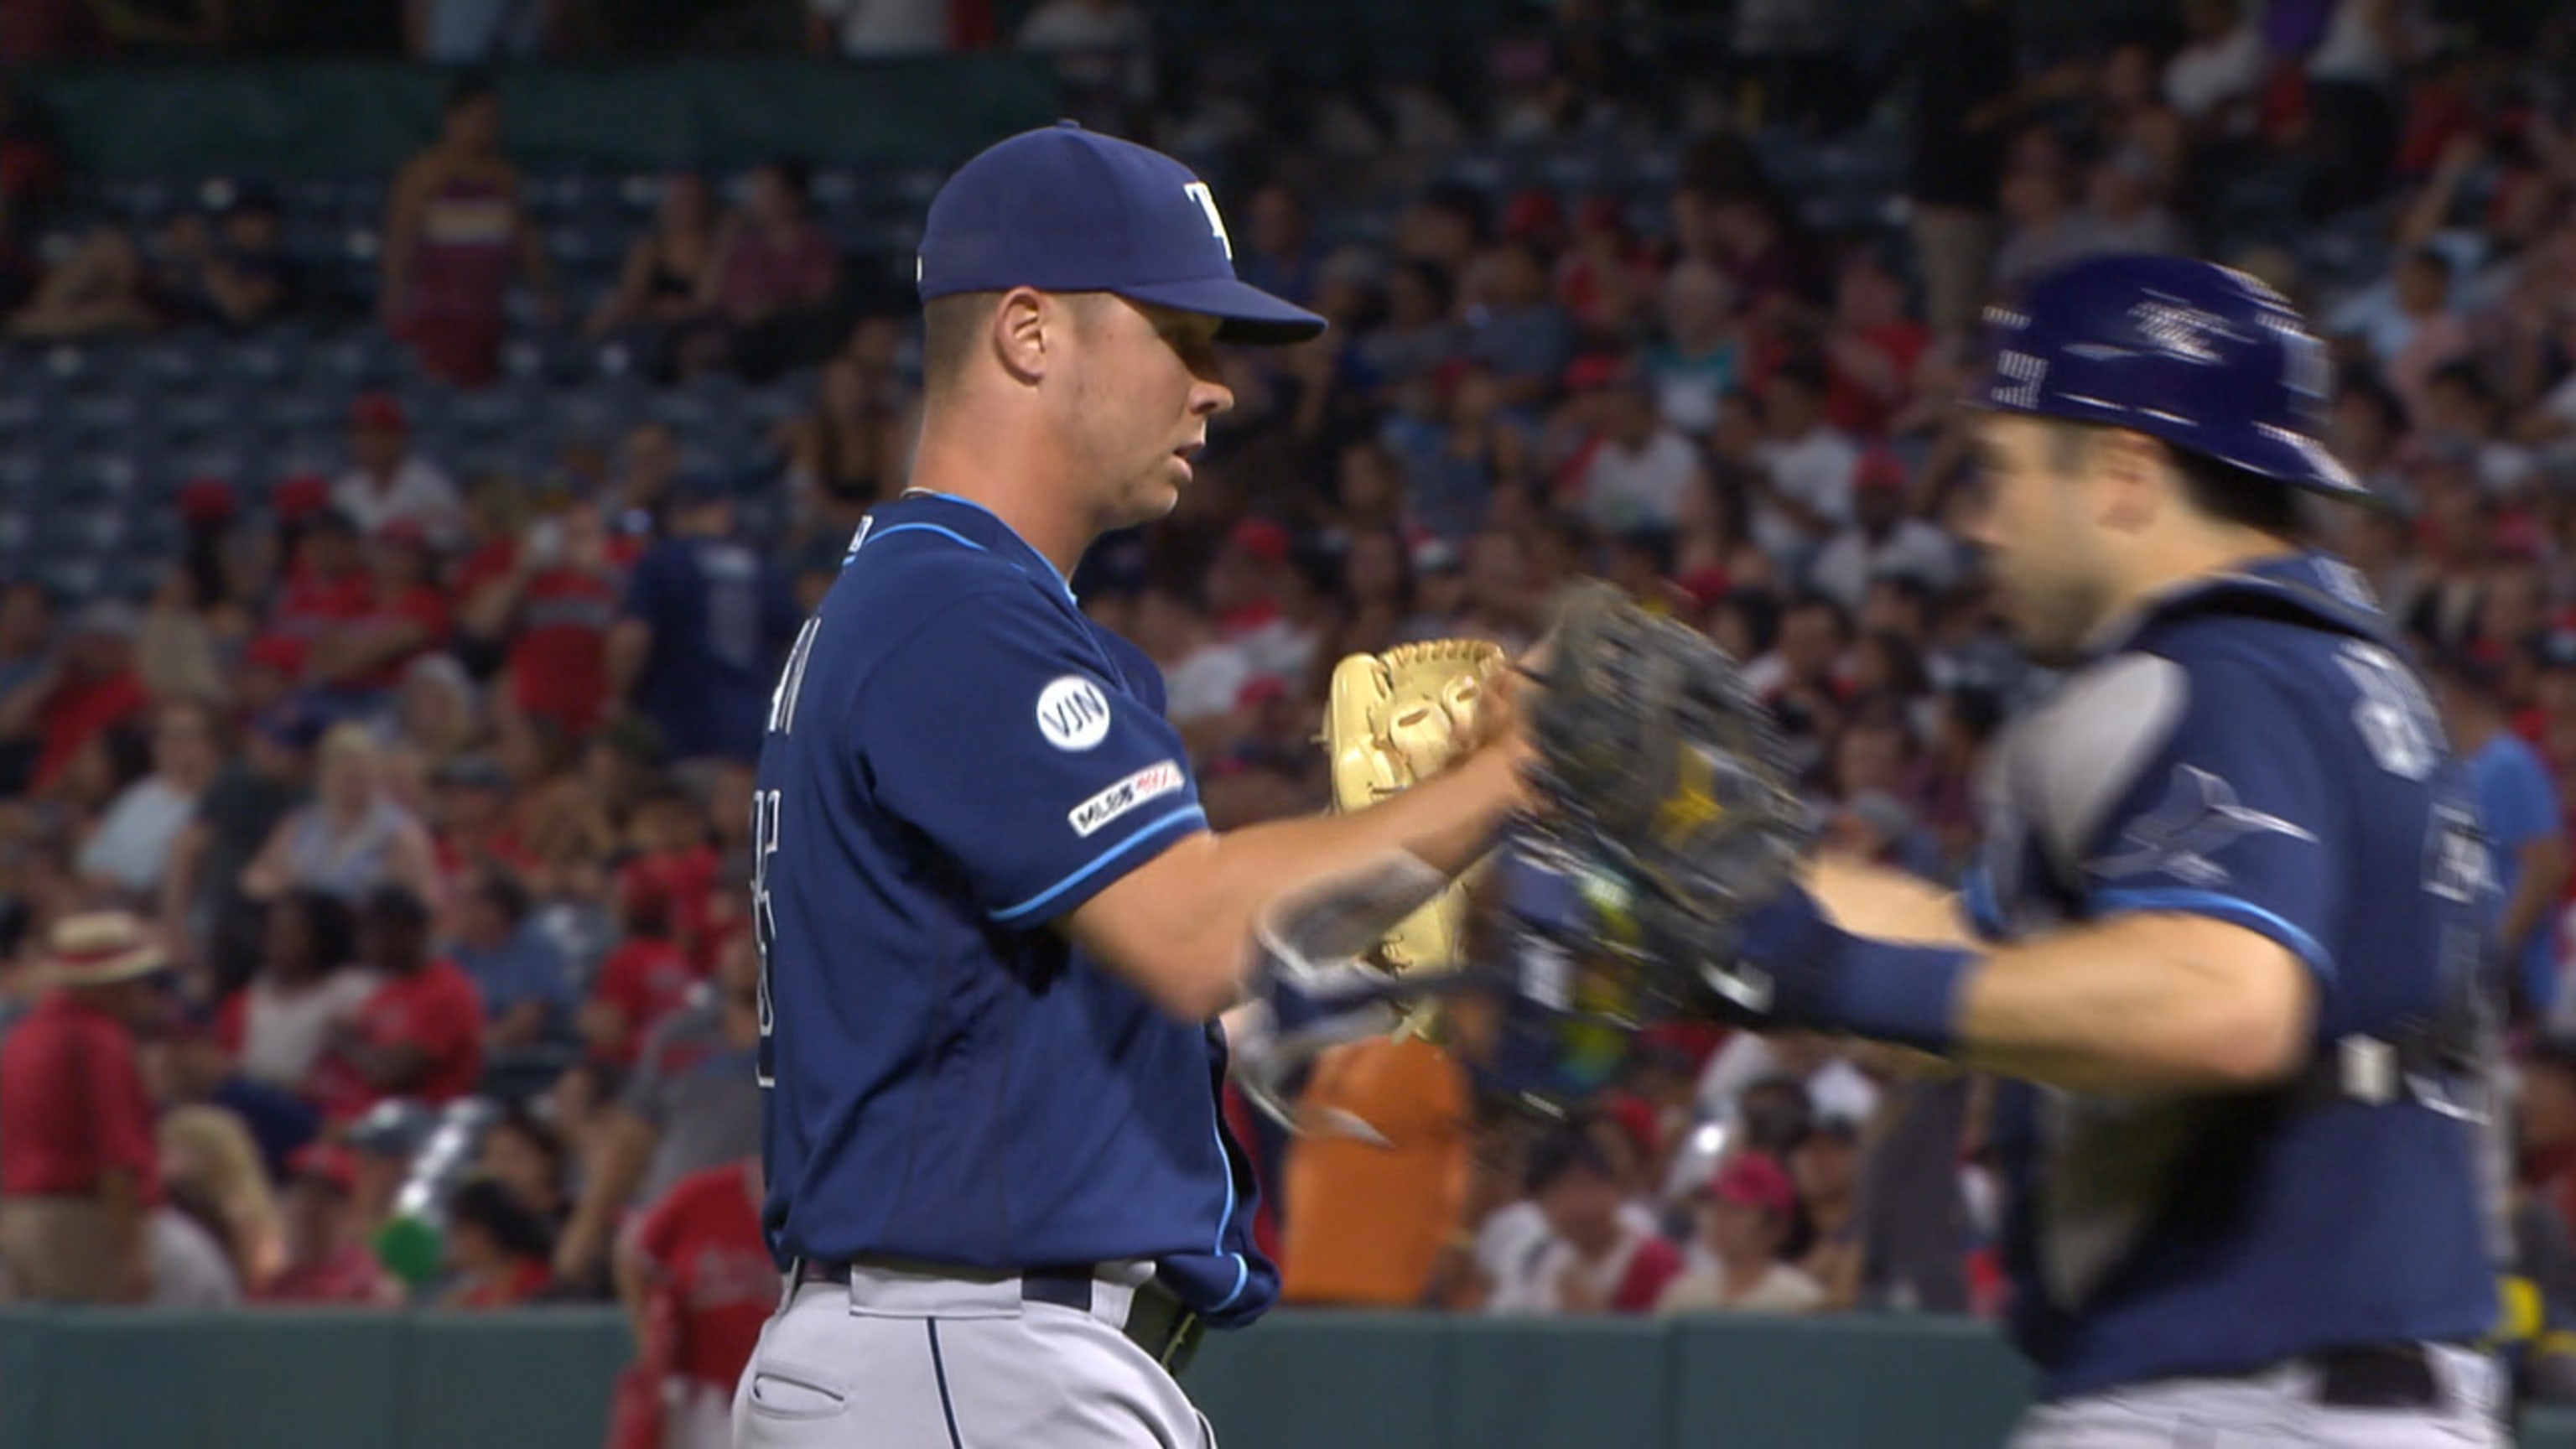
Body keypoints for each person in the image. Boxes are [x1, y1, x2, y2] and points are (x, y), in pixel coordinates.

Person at [736, 122, 1532, 1449]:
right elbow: (1189, 934)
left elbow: (1152, 995)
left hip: (959, 1357)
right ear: (1031, 333)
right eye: (1183, 333)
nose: (1216, 386)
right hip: (974, 1357)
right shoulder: (957, 614)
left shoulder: (930, 606)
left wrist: (1418, 839)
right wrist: (1520, 776)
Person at [1702, 254, 2509, 1444]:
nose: (1976, 519)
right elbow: (1997, 956)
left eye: (2004, 472)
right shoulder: (2313, 669)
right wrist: (1704, 870)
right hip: (2314, 1386)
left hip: (2249, 1395)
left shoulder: (2219, 676)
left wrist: (1825, 972)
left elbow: (2223, 1001)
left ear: (2127, 471)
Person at [0, 911, 169, 1304]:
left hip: (20, 1216)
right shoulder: (100, 1040)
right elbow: (116, 1157)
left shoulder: (24, 1036)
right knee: (98, 1355)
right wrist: (134, 1250)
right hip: (83, 1222)